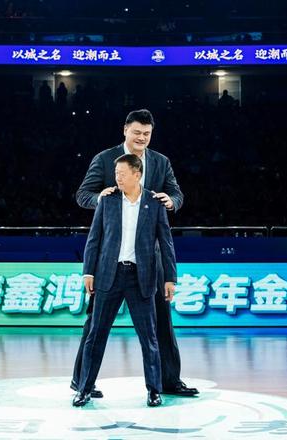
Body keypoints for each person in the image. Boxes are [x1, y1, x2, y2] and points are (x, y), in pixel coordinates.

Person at [73, 109, 198, 397]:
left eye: (147, 134)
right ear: (125, 130)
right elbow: (82, 195)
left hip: (150, 258)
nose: (142, 138)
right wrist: (101, 197)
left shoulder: (161, 161)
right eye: (137, 132)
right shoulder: (105, 159)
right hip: (112, 257)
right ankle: (81, 381)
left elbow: (177, 194)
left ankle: (168, 381)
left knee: (161, 321)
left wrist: (171, 201)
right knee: (95, 324)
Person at [72, 153, 176, 407]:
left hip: (142, 278)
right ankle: (84, 388)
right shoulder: (107, 200)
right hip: (109, 276)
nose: (117, 178)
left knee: (149, 338)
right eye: (116, 173)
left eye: (122, 174)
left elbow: (166, 242)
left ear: (137, 174)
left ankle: (154, 390)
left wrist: (170, 278)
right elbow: (94, 238)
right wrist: (88, 272)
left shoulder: (154, 202)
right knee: (95, 335)